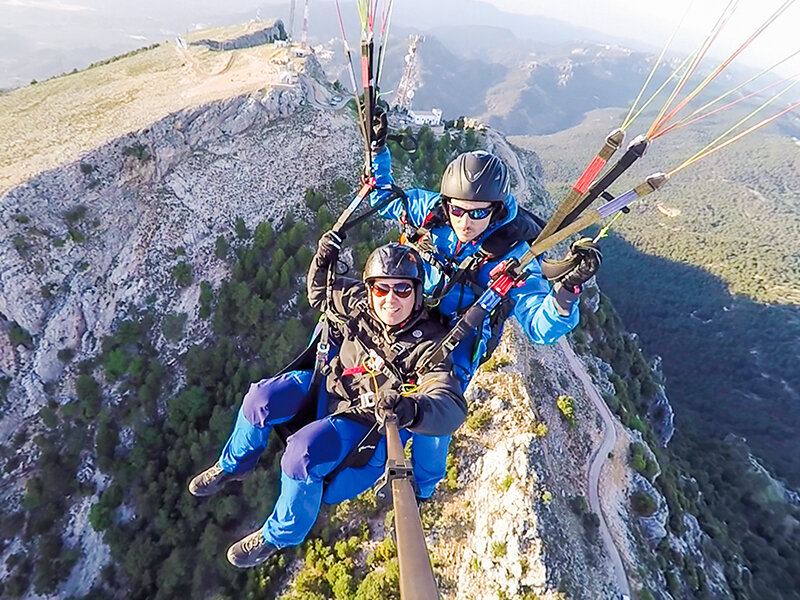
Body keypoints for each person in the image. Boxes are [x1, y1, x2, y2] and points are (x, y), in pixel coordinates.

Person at [188, 235, 466, 568]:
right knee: (258, 400)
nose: (390, 300)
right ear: (370, 289)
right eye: (381, 289)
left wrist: (412, 409)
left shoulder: (430, 345)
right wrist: (323, 259)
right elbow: (321, 293)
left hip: (362, 420)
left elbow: (448, 406)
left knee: (300, 455)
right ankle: (234, 466)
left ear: (418, 293)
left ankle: (279, 534)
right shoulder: (359, 303)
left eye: (402, 290)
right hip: (327, 385)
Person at [367, 125, 602, 498]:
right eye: (457, 210)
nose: (464, 221)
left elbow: (540, 326)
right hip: (415, 319)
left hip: (460, 341)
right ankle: (364, 457)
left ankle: (422, 487)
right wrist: (377, 150)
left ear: (495, 211)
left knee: (434, 415)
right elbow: (382, 197)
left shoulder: (514, 253)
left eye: (477, 214)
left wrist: (567, 291)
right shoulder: (433, 212)